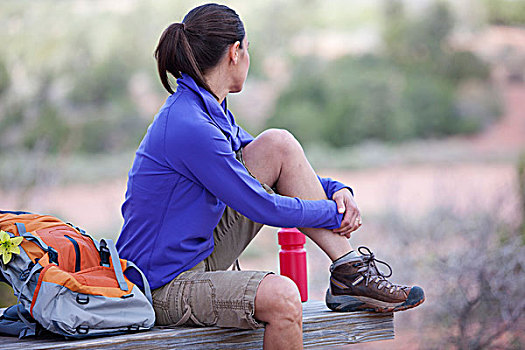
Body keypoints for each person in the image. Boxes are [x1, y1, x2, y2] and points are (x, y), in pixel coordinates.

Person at [116, 3, 425, 349]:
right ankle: (350, 274)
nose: (249, 57)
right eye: (249, 49)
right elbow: (263, 206)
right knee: (283, 298)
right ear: (235, 52)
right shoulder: (189, 125)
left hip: (197, 254)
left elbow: (280, 167)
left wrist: (338, 190)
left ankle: (349, 271)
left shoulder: (208, 107)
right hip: (162, 284)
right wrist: (333, 213)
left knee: (277, 143)